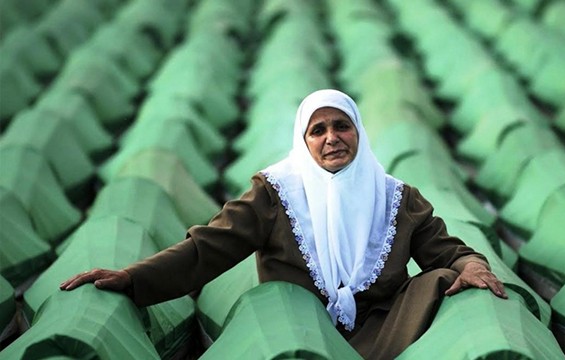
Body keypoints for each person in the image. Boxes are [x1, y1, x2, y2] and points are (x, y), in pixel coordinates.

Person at [60, 89, 507, 359]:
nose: (331, 138)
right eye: (318, 131)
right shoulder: (276, 194)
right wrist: (133, 278)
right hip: (299, 327)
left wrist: (471, 265)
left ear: (359, 133)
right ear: (304, 140)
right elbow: (206, 248)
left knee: (446, 280)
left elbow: (447, 250)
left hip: (382, 329)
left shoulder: (396, 197)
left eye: (341, 126)